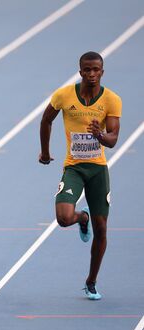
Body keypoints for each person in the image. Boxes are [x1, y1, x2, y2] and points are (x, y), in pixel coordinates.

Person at [39, 51, 121, 300]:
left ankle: (91, 281)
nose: (92, 74)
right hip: (74, 167)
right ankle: (81, 217)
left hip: (97, 170)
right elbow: (46, 120)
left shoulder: (111, 100)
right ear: (80, 71)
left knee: (102, 230)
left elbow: (113, 140)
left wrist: (100, 135)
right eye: (87, 70)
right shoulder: (63, 96)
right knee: (63, 218)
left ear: (102, 72)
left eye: (96, 70)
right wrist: (45, 152)